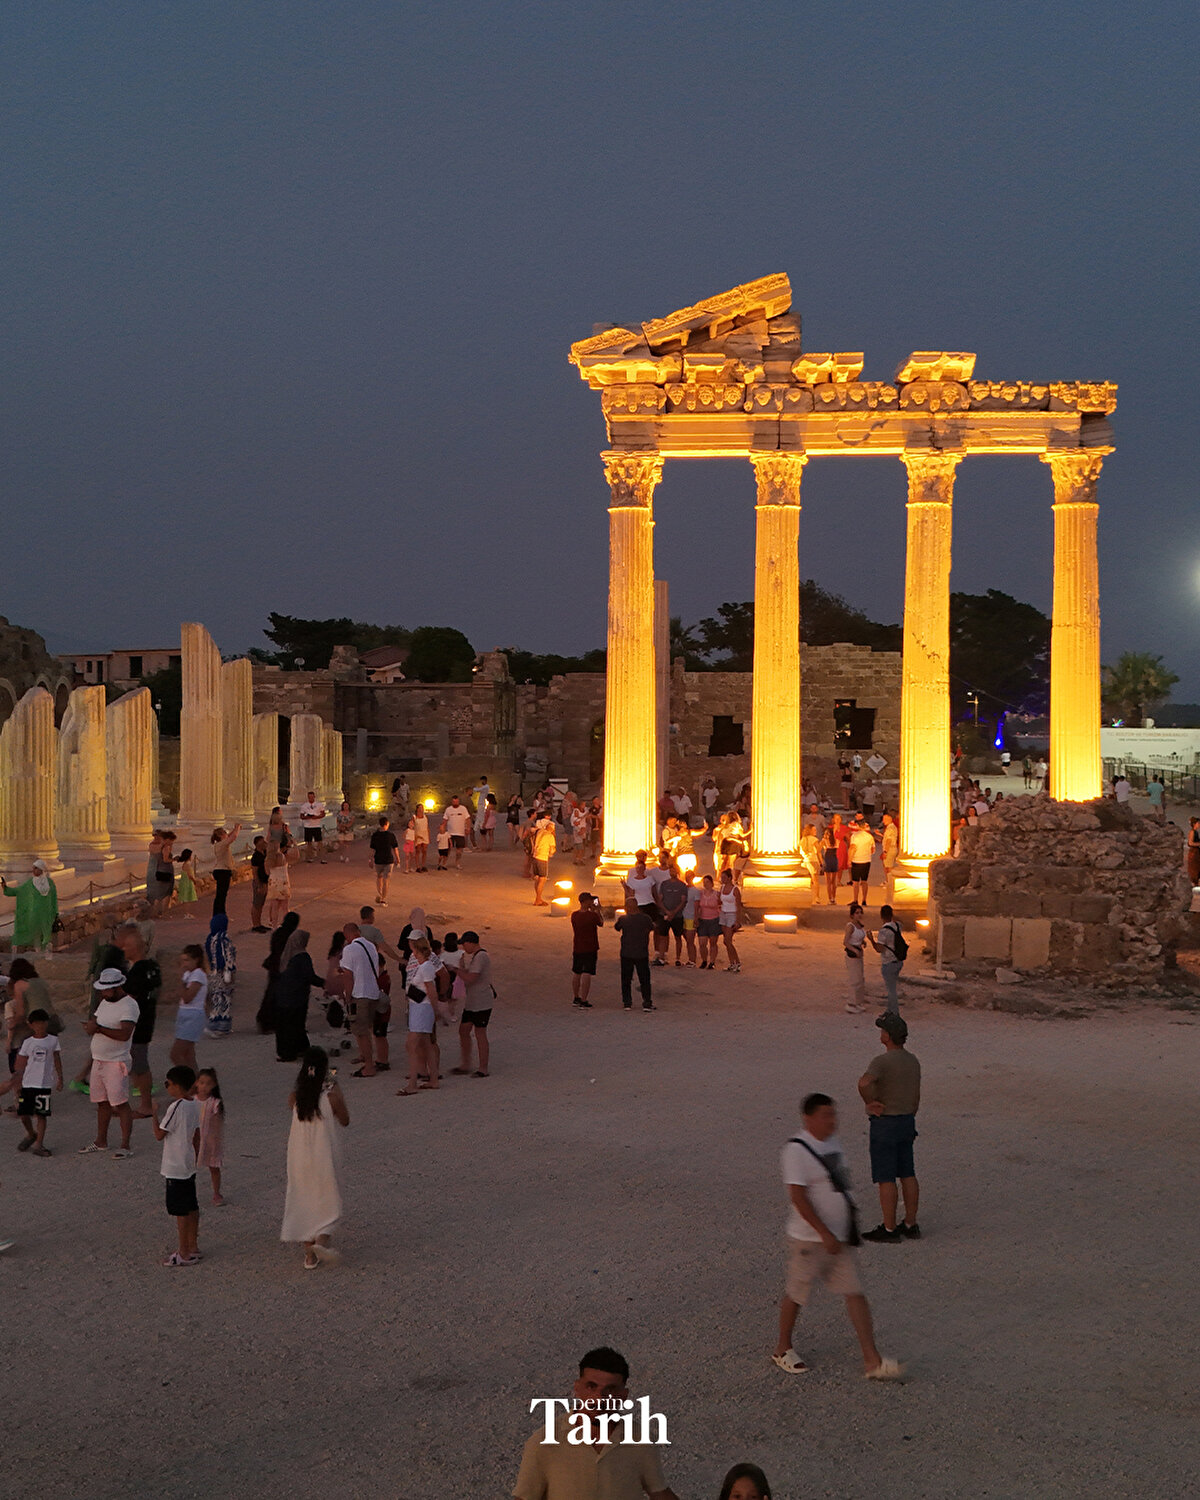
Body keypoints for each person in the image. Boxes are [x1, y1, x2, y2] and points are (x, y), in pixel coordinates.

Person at [772, 1092, 901, 1379]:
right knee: (797, 1293)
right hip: (809, 1239)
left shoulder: (833, 1142)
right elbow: (798, 1197)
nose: (832, 1121)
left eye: (833, 1114)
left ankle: (872, 1359)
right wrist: (823, 1232)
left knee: (854, 1292)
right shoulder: (795, 1151)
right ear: (808, 1118)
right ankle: (782, 1348)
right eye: (825, 1115)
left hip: (839, 1239)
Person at [513, 1346, 679, 1500]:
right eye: (591, 1387)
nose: (599, 1398)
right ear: (577, 1388)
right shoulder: (544, 1442)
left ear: (623, 1395)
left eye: (610, 1389)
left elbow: (660, 1493)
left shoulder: (640, 1440)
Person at [282, 1046, 349, 1270]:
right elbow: (345, 1120)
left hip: (299, 1158)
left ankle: (309, 1255)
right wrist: (336, 1087)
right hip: (323, 1156)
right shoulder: (330, 1098)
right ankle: (321, 1242)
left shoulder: (294, 1098)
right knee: (328, 1200)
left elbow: (303, 1102)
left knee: (304, 1200)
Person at [859, 1014, 922, 1242]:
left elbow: (864, 1082)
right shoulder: (912, 1060)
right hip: (906, 1120)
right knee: (907, 1173)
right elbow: (916, 1095)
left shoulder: (881, 1062)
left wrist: (870, 1102)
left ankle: (889, 1228)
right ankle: (910, 1223)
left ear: (888, 1036)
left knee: (886, 1177)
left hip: (886, 1123)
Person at [79, 968, 140, 1158]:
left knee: (120, 1103)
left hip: (116, 1061)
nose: (103, 993)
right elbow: (97, 1021)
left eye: (106, 990)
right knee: (102, 1102)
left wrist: (98, 1029)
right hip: (99, 1059)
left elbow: (124, 1034)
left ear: (117, 987)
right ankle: (101, 1141)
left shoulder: (129, 1005)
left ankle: (125, 1145)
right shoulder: (105, 1003)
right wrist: (92, 1027)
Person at [151, 1064, 202, 1267]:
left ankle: (184, 1252)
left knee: (180, 1210)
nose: (167, 1087)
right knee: (192, 1205)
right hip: (188, 1162)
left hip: (175, 1164)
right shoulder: (195, 1104)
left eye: (168, 1084)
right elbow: (196, 1135)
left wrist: (154, 1114)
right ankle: (193, 1245)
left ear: (177, 1086)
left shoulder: (176, 1107)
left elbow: (159, 1134)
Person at [117, 923, 162, 1118]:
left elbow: (129, 998)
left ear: (134, 948)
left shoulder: (136, 973)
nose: (123, 949)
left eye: (127, 946)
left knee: (140, 1065)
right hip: (148, 1019)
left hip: (137, 1024)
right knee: (136, 1063)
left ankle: (146, 1105)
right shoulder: (153, 967)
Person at [14, 1009, 61, 1155]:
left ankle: (39, 1144)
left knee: (41, 1114)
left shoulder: (53, 1040)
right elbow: (21, 1062)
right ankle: (31, 1133)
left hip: (44, 1083)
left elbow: (57, 1058)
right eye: (36, 1024)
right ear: (31, 1025)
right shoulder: (28, 1042)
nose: (40, 1026)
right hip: (28, 1083)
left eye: (42, 1023)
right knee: (24, 1114)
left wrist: (60, 1078)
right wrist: (17, 1082)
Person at [339, 922, 382, 1078]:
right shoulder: (371, 946)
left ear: (347, 936)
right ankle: (364, 1055)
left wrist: (347, 995)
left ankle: (369, 1066)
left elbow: (348, 975)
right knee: (366, 1027)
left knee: (360, 1030)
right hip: (373, 992)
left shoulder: (349, 949)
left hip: (360, 994)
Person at [397, 934, 439, 1094]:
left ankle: (413, 1083)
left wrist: (435, 1010)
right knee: (426, 1044)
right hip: (419, 1007)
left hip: (422, 1008)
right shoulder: (424, 966)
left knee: (412, 1045)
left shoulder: (426, 967)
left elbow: (431, 991)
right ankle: (433, 1079)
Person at [276, 929, 320, 1063]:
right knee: (297, 1024)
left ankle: (293, 1050)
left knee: (287, 1025)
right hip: (298, 996)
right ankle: (293, 1052)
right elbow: (309, 976)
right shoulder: (302, 957)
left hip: (284, 996)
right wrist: (325, 983)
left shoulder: (287, 955)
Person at [455, 931, 493, 1076]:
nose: (464, 947)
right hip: (473, 1002)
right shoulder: (477, 957)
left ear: (470, 943)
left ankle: (483, 1068)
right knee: (464, 1030)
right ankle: (466, 1064)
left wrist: (456, 970)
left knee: (480, 1033)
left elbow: (471, 978)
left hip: (481, 1002)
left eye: (464, 944)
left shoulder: (481, 956)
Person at [1, 861, 58, 952]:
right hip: (34, 915)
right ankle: (38, 953)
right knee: (35, 935)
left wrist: (55, 912)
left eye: (35, 868)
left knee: (46, 935)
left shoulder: (50, 883)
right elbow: (18, 891)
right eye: (33, 868)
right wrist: (5, 888)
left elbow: (54, 898)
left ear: (41, 869)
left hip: (46, 914)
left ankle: (46, 955)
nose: (33, 870)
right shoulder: (30, 883)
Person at [257, 912, 299, 1034]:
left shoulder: (279, 933)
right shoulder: (290, 936)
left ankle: (266, 1021)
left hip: (274, 966)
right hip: (282, 969)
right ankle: (271, 1022)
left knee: (271, 993)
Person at [173, 946, 208, 1071]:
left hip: (192, 1015)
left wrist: (180, 980)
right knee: (188, 1054)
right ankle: (195, 1078)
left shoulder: (198, 974)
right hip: (185, 1013)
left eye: (187, 960)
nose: (184, 964)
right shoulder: (189, 974)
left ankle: (186, 1078)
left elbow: (188, 997)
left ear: (196, 960)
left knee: (176, 1054)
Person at [615, 900, 655, 1011]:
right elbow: (652, 927)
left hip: (626, 952)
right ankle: (647, 1002)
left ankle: (627, 1002)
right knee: (644, 979)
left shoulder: (623, 919)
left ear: (627, 907)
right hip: (641, 952)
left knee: (626, 979)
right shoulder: (645, 918)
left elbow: (617, 927)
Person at [203, 914, 236, 1038]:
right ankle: (221, 1024)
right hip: (224, 972)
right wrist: (230, 971)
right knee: (225, 996)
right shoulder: (224, 938)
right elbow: (227, 956)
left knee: (216, 997)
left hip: (213, 973)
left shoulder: (210, 938)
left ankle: (215, 1023)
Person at [570, 891, 603, 1008]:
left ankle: (576, 997)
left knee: (577, 972)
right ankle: (584, 999)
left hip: (578, 946)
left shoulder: (574, 915)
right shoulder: (592, 916)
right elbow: (601, 923)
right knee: (587, 973)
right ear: (587, 901)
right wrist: (597, 911)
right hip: (590, 947)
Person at [654, 863, 688, 967]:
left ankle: (678, 959)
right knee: (663, 936)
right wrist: (667, 911)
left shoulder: (682, 885)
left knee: (678, 937)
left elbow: (683, 901)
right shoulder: (664, 884)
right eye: (670, 870)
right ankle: (661, 958)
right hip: (665, 914)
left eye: (674, 870)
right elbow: (660, 899)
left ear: (677, 871)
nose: (672, 872)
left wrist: (673, 912)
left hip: (677, 916)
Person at [843, 903, 871, 1014]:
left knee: (860, 979)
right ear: (852, 915)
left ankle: (858, 1002)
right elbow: (846, 942)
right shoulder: (850, 926)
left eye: (860, 912)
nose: (859, 915)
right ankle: (851, 1003)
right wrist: (855, 950)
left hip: (859, 954)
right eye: (857, 913)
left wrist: (863, 942)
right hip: (853, 955)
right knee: (854, 979)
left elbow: (858, 937)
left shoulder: (859, 925)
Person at [209, 823, 241, 913]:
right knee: (221, 895)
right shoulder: (222, 844)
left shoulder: (218, 844)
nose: (227, 834)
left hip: (219, 870)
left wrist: (234, 829)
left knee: (221, 894)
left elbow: (229, 836)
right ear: (221, 835)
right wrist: (237, 827)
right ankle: (219, 913)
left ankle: (218, 912)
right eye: (225, 833)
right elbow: (233, 837)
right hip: (223, 871)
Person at [717, 868, 745, 972]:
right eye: (721, 877)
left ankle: (737, 962)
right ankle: (732, 962)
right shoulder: (722, 888)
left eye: (724, 877)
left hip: (731, 914)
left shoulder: (735, 890)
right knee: (726, 941)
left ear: (729, 878)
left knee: (728, 940)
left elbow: (738, 906)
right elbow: (720, 901)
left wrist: (738, 921)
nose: (722, 879)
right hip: (723, 913)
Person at [369, 816, 400, 904]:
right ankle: (383, 898)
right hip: (388, 860)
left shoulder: (375, 835)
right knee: (386, 879)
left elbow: (372, 850)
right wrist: (398, 859)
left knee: (379, 877)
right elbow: (395, 849)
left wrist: (370, 860)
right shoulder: (391, 835)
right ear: (387, 824)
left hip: (378, 859)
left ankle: (380, 893)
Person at [695, 874, 722, 969]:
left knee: (713, 942)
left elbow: (721, 905)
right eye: (704, 882)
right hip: (703, 920)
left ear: (712, 883)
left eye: (707, 882)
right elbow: (697, 906)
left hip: (714, 920)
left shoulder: (717, 894)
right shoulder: (700, 894)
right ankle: (704, 960)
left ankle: (712, 961)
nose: (706, 884)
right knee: (702, 943)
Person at [848, 817, 876, 906]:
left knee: (855, 882)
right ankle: (864, 900)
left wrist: (849, 860)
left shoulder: (854, 836)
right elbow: (873, 850)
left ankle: (855, 900)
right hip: (866, 860)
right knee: (864, 881)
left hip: (856, 860)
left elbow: (852, 848)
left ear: (857, 826)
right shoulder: (869, 837)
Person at [263, 846, 292, 928]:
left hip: (273, 881)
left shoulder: (268, 859)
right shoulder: (282, 856)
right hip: (283, 881)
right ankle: (287, 925)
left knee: (274, 906)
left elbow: (267, 872)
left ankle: (274, 925)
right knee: (285, 907)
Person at [441, 795, 472, 870]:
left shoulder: (463, 809)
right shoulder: (448, 809)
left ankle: (457, 863)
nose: (455, 803)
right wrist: (442, 829)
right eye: (454, 801)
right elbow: (445, 820)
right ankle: (444, 863)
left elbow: (468, 819)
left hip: (460, 833)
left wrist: (468, 828)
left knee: (459, 851)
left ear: (459, 801)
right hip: (450, 833)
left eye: (456, 801)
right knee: (447, 849)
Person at [248, 835, 270, 932]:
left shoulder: (265, 853)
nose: (264, 843)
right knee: (257, 904)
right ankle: (255, 925)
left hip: (265, 881)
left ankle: (259, 923)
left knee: (261, 904)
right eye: (262, 842)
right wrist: (258, 884)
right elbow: (255, 872)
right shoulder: (256, 857)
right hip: (259, 882)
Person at [299, 791, 328, 862]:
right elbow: (301, 816)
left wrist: (316, 817)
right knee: (309, 843)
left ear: (314, 797)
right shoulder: (304, 806)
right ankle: (310, 857)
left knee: (319, 842)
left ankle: (322, 858)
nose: (311, 798)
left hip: (317, 826)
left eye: (312, 797)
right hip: (308, 826)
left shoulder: (319, 805)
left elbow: (323, 814)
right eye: (309, 797)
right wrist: (307, 817)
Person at [880, 813, 899, 904]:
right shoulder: (890, 827)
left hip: (890, 849)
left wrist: (885, 851)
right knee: (886, 866)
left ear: (890, 818)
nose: (883, 821)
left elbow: (889, 840)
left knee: (888, 867)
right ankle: (888, 882)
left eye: (885, 819)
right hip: (890, 848)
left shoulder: (891, 828)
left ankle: (890, 883)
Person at [1188, 817, 1200, 889]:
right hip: (1194, 853)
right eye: (1198, 823)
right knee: (1194, 869)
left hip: (1196, 852)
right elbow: (1190, 843)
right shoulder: (1192, 832)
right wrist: (1198, 844)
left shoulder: (1196, 832)